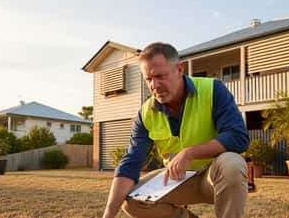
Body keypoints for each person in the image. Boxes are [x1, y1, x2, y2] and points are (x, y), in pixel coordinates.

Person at [102, 42, 249, 218]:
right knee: (133, 200)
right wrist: (109, 214)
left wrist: (190, 153)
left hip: (215, 177)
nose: (154, 85)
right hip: (177, 181)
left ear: (179, 69)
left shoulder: (213, 89)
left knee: (232, 163)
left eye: (160, 76)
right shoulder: (146, 113)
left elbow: (238, 137)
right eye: (148, 79)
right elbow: (130, 164)